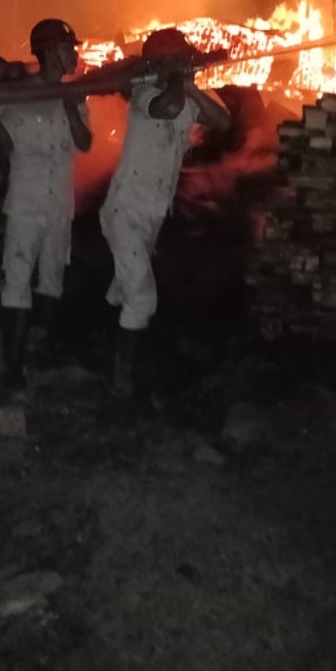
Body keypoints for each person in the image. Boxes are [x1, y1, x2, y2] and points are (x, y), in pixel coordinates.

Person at [99, 27, 231, 397]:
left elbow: (222, 122)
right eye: (181, 58)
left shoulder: (186, 94)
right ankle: (121, 378)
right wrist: (177, 82)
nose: (190, 63)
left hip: (153, 212)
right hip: (124, 210)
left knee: (124, 288)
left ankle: (104, 342)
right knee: (142, 297)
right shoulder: (145, 92)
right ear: (163, 63)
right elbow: (167, 108)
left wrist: (188, 85)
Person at [0, 18, 92, 391]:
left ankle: (45, 349)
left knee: (52, 277)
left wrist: (67, 104)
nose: (74, 54)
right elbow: (7, 144)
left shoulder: (78, 94)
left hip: (59, 201)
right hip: (26, 201)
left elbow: (84, 143)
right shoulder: (19, 94)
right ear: (49, 51)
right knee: (16, 280)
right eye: (67, 48)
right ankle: (13, 367)